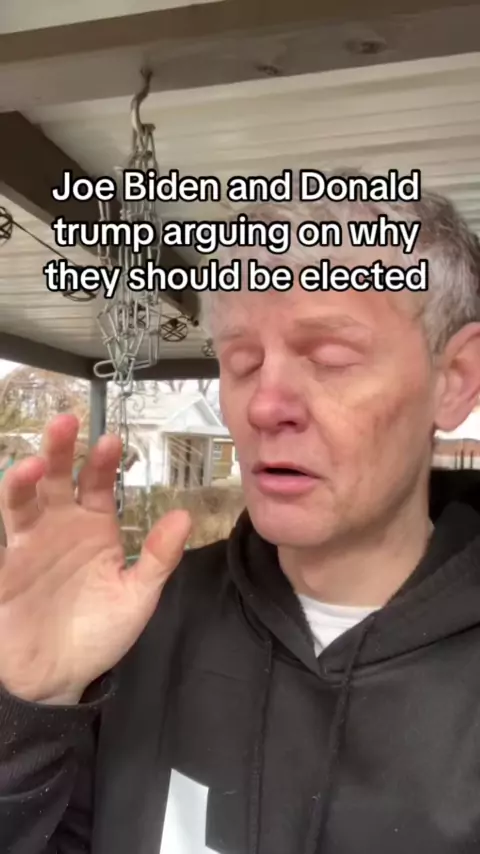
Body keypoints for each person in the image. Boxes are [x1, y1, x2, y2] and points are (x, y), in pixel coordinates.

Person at [2, 175, 480, 854]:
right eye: (243, 362)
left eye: (330, 359)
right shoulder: (136, 628)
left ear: (455, 380)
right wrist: (30, 716)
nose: (263, 406)